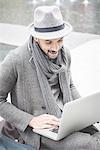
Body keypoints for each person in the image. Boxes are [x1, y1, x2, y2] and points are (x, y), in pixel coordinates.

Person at [0, 5, 100, 150]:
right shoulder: (16, 59)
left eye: (60, 40)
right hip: (37, 130)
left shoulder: (65, 54)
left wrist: (85, 112)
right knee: (87, 144)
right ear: (36, 38)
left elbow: (70, 86)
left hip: (64, 120)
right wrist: (31, 120)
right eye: (48, 42)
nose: (55, 48)